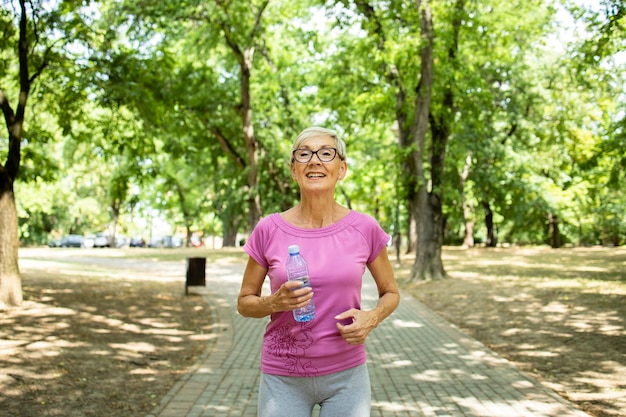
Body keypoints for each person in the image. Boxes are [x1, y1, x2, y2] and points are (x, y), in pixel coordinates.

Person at [237, 126, 400, 417]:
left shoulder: (365, 228)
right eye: (304, 154)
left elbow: (391, 293)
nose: (314, 160)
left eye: (326, 153)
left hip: (347, 375)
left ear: (341, 169)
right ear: (293, 169)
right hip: (282, 375)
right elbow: (244, 303)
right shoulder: (268, 229)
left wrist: (372, 317)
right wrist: (272, 303)